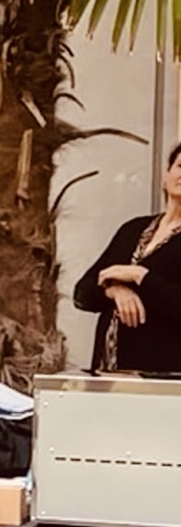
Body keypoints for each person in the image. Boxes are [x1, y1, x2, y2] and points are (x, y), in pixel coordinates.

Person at [74, 142, 181, 374]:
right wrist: (114, 289)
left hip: (164, 380)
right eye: (180, 166)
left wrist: (140, 276)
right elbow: (82, 293)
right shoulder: (132, 229)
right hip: (107, 373)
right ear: (166, 176)